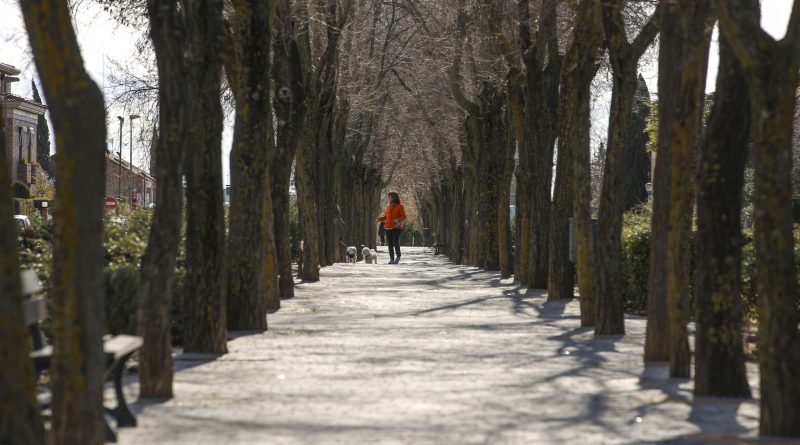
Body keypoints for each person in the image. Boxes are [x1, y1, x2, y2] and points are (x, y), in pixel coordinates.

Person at [376, 191, 406, 264]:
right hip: (388, 227)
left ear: (394, 197)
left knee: (395, 242)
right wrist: (379, 219)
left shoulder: (399, 206)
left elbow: (404, 216)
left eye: (390, 197)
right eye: (388, 197)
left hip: (396, 227)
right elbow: (386, 217)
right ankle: (391, 259)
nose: (389, 198)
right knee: (389, 244)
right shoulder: (387, 207)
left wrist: (398, 219)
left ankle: (398, 256)